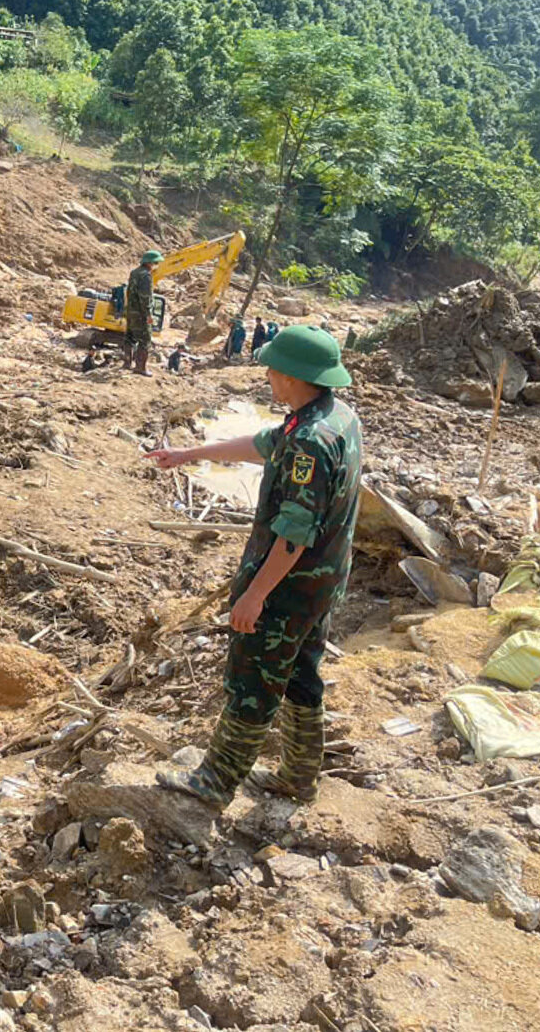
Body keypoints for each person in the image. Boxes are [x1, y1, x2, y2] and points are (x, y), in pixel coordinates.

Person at [141, 325, 362, 808]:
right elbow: (265, 444)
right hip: (323, 583)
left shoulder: (309, 442)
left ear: (292, 376)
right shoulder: (335, 417)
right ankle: (299, 777)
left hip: (286, 587)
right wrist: (189, 454)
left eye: (272, 369)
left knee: (252, 681)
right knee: (301, 676)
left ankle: (216, 781)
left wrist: (255, 595)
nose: (267, 377)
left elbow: (294, 534)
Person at [124, 249, 162, 376]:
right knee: (145, 340)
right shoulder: (146, 276)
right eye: (155, 263)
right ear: (150, 263)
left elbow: (129, 292)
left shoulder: (134, 272)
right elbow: (145, 298)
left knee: (129, 337)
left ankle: (127, 363)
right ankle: (140, 367)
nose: (155, 266)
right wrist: (148, 315)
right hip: (140, 313)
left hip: (130, 311)